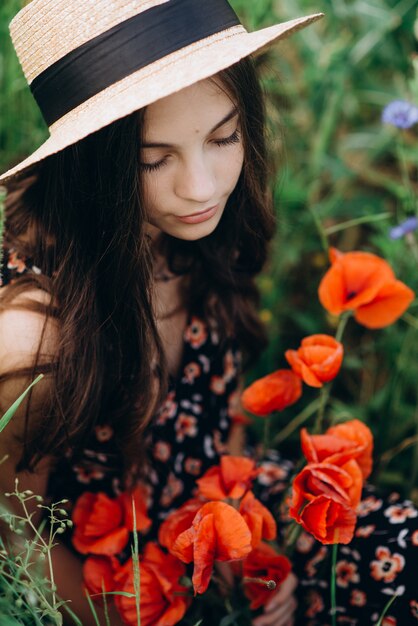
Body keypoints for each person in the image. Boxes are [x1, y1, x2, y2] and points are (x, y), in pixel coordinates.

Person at [1, 2, 417, 626]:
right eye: (153, 159)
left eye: (223, 137)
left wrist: (247, 545)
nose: (202, 186)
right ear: (90, 164)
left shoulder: (205, 235)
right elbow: (18, 533)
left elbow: (225, 425)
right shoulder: (35, 338)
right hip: (115, 587)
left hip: (218, 514)